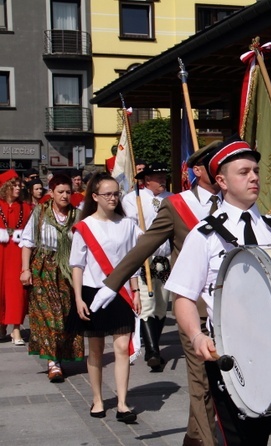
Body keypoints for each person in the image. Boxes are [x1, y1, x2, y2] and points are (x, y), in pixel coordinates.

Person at [92, 141, 223, 446]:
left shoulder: (236, 203)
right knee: (202, 381)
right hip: (196, 307)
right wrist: (113, 283)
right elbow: (144, 247)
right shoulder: (177, 206)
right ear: (199, 170)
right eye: (214, 164)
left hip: (233, 307)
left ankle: (194, 437)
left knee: (224, 381)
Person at [166, 135, 271, 445]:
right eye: (243, 172)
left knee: (259, 435)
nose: (253, 177)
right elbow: (183, 296)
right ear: (221, 180)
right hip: (229, 352)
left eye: (255, 171)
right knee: (239, 437)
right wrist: (197, 336)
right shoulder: (205, 234)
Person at [68, 172, 141, 422]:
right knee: (96, 349)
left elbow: (134, 262)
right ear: (95, 197)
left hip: (120, 292)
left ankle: (122, 402)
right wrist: (78, 298)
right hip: (92, 291)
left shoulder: (128, 224)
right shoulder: (84, 227)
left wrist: (137, 290)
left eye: (116, 193)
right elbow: (76, 265)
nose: (113, 198)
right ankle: (98, 399)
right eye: (107, 194)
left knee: (122, 347)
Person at [19, 173, 84, 382]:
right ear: (51, 193)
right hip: (44, 268)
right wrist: (25, 269)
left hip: (68, 270)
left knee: (65, 314)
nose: (65, 196)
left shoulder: (78, 215)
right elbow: (28, 242)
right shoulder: (40, 213)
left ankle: (61, 356)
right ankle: (53, 363)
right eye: (60, 192)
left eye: (68, 192)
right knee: (49, 316)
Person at [121, 161, 173, 371]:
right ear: (146, 180)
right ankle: (152, 350)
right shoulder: (133, 199)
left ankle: (154, 344)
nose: (162, 180)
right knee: (147, 302)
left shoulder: (171, 199)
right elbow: (131, 226)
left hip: (165, 257)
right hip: (145, 257)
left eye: (164, 177)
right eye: (157, 177)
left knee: (161, 303)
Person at [0, 169, 32, 345]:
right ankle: (1, 326)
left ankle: (16, 329)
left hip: (17, 253)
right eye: (15, 184)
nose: (19, 187)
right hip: (0, 252)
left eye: (20, 184)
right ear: (6, 187)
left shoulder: (26, 208)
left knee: (16, 291)